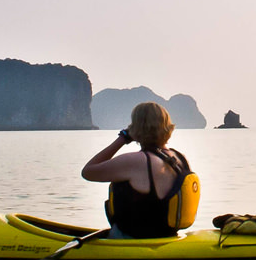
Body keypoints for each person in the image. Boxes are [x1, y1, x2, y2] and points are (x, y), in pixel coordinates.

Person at [81, 101, 195, 238]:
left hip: (132, 238)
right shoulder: (180, 159)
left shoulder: (136, 161)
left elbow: (88, 172)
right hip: (168, 235)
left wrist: (122, 138)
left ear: (136, 128)